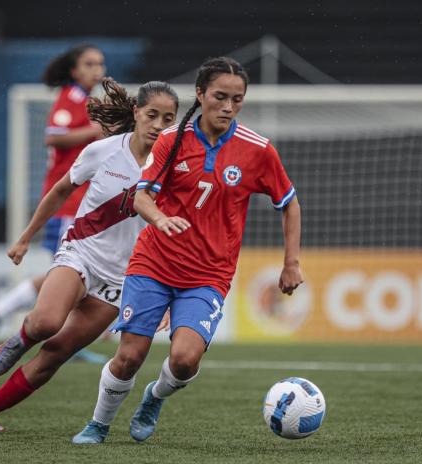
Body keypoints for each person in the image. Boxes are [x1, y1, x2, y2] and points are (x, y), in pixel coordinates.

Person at [72, 56, 303, 444]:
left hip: (208, 274)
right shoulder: (171, 140)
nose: (228, 107)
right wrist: (160, 220)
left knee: (184, 359)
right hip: (154, 262)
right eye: (220, 96)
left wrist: (291, 263)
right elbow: (142, 196)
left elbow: (289, 203)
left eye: (237, 99)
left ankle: (154, 397)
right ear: (200, 94)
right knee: (129, 356)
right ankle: (99, 423)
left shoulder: (258, 150)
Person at [0, 78, 179, 432]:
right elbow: (60, 190)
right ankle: (20, 339)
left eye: (168, 119)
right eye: (152, 115)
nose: (159, 126)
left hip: (119, 280)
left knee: (56, 353)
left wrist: (170, 295)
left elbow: (174, 234)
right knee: (46, 324)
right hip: (80, 252)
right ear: (136, 113)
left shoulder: (174, 169)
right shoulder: (104, 151)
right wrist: (25, 238)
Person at [0, 44, 107, 364]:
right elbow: (53, 135)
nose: (97, 69)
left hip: (81, 201)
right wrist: (94, 130)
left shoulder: (88, 101)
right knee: (68, 274)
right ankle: (1, 311)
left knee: (68, 274)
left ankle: (4, 312)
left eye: (100, 64)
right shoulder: (70, 98)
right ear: (75, 70)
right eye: (89, 64)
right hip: (66, 201)